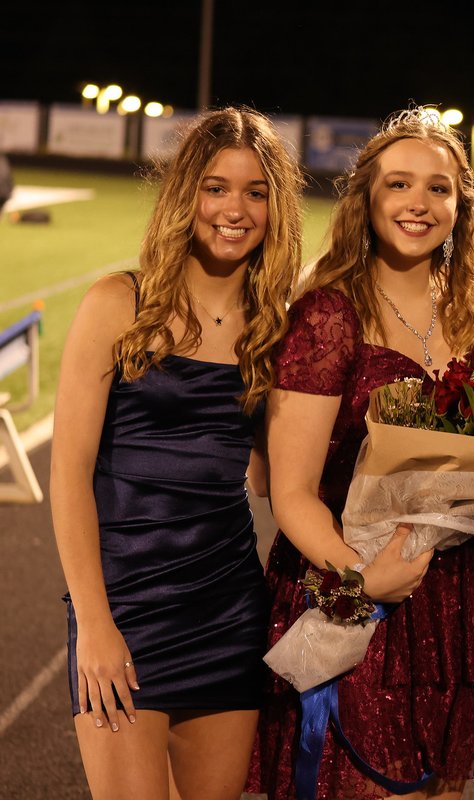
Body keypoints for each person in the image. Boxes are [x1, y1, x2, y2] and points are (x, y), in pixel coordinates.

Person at [248, 107, 474, 800]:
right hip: (351, 587)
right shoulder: (328, 314)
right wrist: (363, 582)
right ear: (367, 197)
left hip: (456, 597)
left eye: (438, 188)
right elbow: (293, 491)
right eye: (399, 184)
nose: (418, 204)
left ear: (462, 205)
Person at [50, 107, 304, 799]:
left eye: (256, 192)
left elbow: (271, 476)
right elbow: (68, 472)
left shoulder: (275, 327)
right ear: (185, 193)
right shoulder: (118, 304)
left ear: (275, 208)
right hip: (123, 601)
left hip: (225, 603)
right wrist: (94, 624)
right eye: (217, 187)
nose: (235, 209)